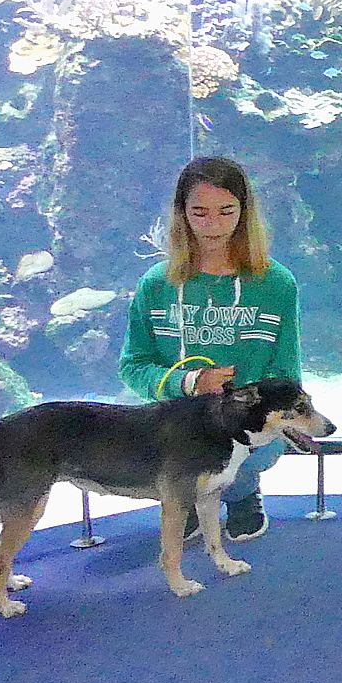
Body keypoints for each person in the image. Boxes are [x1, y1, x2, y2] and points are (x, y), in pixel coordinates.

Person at [120, 155, 302, 542]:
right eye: (199, 212)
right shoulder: (156, 283)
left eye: (226, 211)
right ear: (181, 214)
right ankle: (183, 496)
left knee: (244, 457)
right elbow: (133, 366)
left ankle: (241, 493)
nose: (213, 225)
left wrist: (263, 411)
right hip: (177, 426)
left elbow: (286, 370)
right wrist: (189, 383)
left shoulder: (277, 284)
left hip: (247, 425)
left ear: (244, 212)